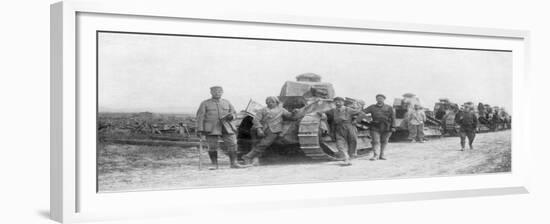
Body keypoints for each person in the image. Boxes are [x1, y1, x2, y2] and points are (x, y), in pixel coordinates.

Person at [196, 86, 244, 169]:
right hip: (211, 128)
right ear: (211, 93)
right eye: (215, 91)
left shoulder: (227, 102)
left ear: (222, 92)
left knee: (232, 144)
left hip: (226, 127)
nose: (217, 93)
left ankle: (234, 163)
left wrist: (231, 117)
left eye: (219, 91)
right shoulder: (205, 103)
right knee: (212, 146)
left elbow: (234, 113)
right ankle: (214, 164)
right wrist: (199, 129)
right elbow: (200, 117)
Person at [241, 96, 297, 166]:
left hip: (274, 130)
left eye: (272, 102)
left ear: (276, 102)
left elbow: (289, 116)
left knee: (264, 144)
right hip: (262, 128)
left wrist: (293, 113)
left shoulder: (281, 110)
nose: (270, 103)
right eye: (268, 102)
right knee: (256, 144)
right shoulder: (262, 110)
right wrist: (259, 129)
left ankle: (247, 157)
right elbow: (255, 120)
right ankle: (254, 160)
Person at [320, 97, 365, 166]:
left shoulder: (348, 109)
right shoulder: (332, 111)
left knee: (352, 142)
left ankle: (351, 156)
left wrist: (356, 121)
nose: (337, 103)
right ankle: (346, 158)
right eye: (336, 101)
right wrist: (322, 114)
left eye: (339, 101)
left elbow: (362, 113)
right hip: (338, 128)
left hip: (349, 127)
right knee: (339, 144)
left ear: (343, 102)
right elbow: (322, 112)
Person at [363, 94, 396, 161]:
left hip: (386, 126)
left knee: (384, 141)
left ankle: (382, 155)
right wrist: (367, 119)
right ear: (376, 99)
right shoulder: (372, 107)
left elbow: (393, 118)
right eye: (378, 98)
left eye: (381, 98)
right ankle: (375, 155)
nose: (379, 99)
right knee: (375, 141)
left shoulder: (389, 107)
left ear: (384, 99)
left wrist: (393, 126)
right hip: (375, 126)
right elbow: (363, 112)